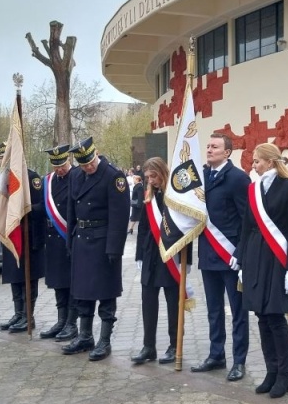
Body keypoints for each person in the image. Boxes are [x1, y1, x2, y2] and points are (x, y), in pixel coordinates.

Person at [234, 143, 288, 398]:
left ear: (271, 162)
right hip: (254, 256)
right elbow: (247, 226)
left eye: (257, 161)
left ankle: (284, 374)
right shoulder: (253, 189)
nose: (254, 166)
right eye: (253, 162)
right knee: (261, 316)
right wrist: (240, 259)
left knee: (275, 317)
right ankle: (270, 371)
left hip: (277, 258)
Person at [61, 137, 129, 361]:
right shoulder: (77, 176)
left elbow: (119, 216)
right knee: (82, 292)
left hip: (103, 242)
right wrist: (71, 240)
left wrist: (114, 249)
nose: (88, 167)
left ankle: (104, 340)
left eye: (90, 162)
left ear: (96, 154)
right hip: (82, 239)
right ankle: (85, 335)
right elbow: (72, 209)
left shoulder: (113, 176)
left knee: (106, 293)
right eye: (83, 164)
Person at [192, 132, 251, 381]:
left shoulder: (238, 178)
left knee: (238, 311)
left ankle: (239, 360)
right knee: (214, 310)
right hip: (208, 253)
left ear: (227, 152)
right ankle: (216, 355)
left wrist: (240, 252)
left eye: (214, 147)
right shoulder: (202, 176)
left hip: (231, 256)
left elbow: (248, 219)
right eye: (208, 146)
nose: (209, 149)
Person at [131, 157, 190, 365]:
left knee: (173, 303)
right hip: (150, 255)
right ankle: (149, 346)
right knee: (148, 302)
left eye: (153, 176)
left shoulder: (175, 195)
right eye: (147, 177)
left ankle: (175, 345)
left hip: (171, 255)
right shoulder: (149, 195)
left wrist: (187, 260)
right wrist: (139, 255)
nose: (151, 180)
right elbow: (143, 228)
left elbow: (186, 229)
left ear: (162, 173)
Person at [0, 151, 47, 334]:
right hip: (12, 233)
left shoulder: (32, 178)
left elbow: (42, 206)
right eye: (0, 158)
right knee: (14, 276)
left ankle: (28, 315)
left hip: (29, 236)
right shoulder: (4, 180)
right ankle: (18, 313)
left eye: (4, 157)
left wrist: (23, 208)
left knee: (28, 278)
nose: (1, 161)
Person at [38, 144, 81, 341]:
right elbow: (42, 207)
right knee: (57, 283)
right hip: (52, 238)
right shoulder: (48, 181)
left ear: (68, 160)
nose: (59, 169)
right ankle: (61, 320)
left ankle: (72, 323)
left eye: (62, 164)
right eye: (55, 165)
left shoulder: (78, 176)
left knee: (71, 283)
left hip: (70, 237)